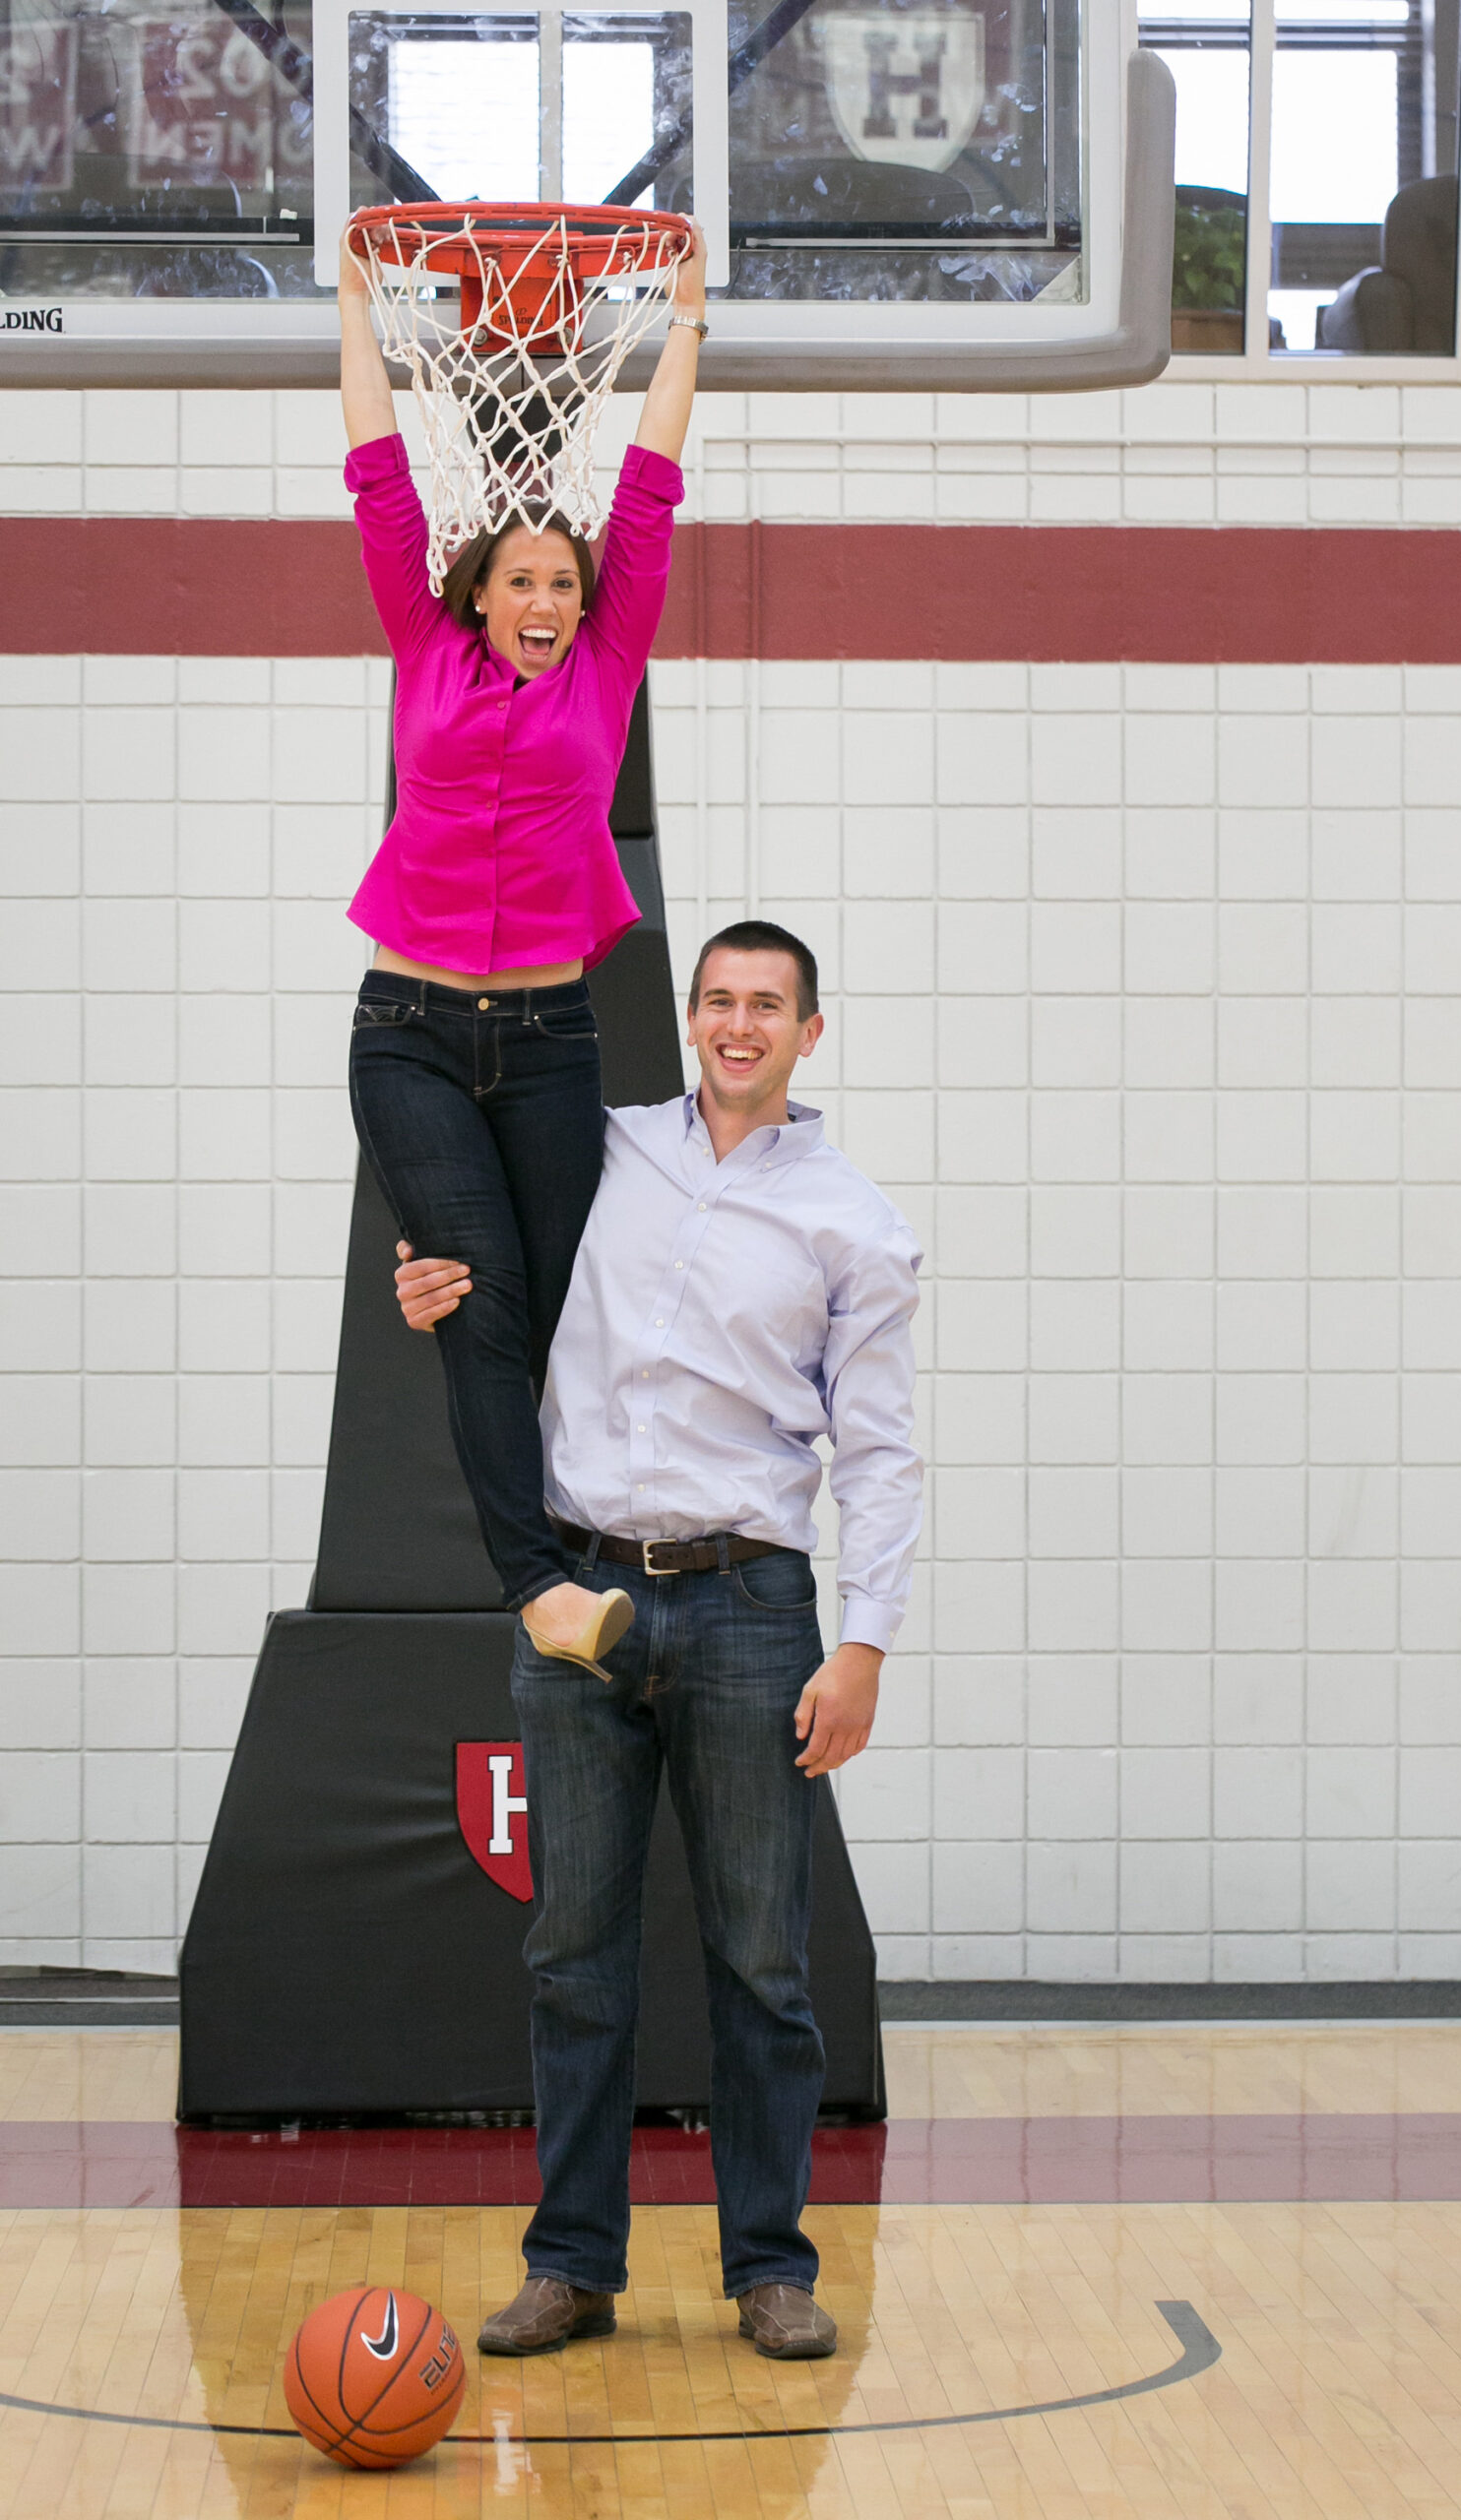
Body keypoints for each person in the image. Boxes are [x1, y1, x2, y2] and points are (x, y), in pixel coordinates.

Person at [393, 921, 922, 2362]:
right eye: (718, 1001)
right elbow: (479, 1265)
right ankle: (573, 2265)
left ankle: (770, 2267)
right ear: (689, 1019)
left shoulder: (856, 1224)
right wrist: (425, 1277)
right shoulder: (607, 1149)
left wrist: (863, 1644)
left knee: (761, 1959)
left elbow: (879, 1455)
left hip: (753, 1607)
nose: (738, 1025)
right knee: (574, 1952)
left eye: (768, 1005)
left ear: (812, 1033)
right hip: (581, 1596)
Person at [336, 218, 709, 1673]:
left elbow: (651, 490)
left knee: (538, 1311)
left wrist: (685, 328)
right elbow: (379, 471)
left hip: (552, 1038)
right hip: (410, 1030)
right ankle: (539, 1589)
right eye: (526, 582)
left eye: (567, 582)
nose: (550, 600)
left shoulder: (610, 659)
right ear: (479, 593)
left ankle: (593, 1543)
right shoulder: (422, 647)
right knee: (481, 1298)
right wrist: (355, 315)